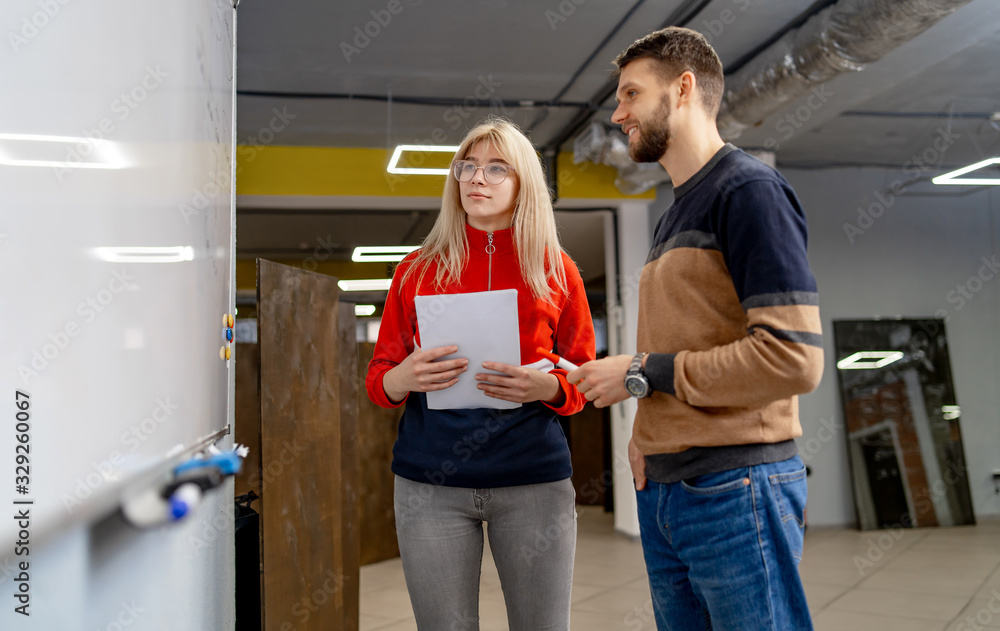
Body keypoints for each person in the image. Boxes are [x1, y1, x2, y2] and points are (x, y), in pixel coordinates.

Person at [568, 27, 823, 631]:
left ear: (682, 89)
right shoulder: (675, 209)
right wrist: (644, 436)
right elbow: (684, 342)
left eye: (631, 94)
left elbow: (793, 359)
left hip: (736, 489)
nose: (618, 111)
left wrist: (638, 371)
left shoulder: (749, 192)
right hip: (668, 491)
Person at [366, 116, 595, 631]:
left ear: (522, 184)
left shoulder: (557, 268)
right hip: (431, 483)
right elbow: (379, 379)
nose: (476, 179)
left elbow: (582, 378)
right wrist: (404, 377)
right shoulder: (415, 270)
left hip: (532, 477)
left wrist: (550, 386)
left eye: (496, 169)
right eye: (467, 167)